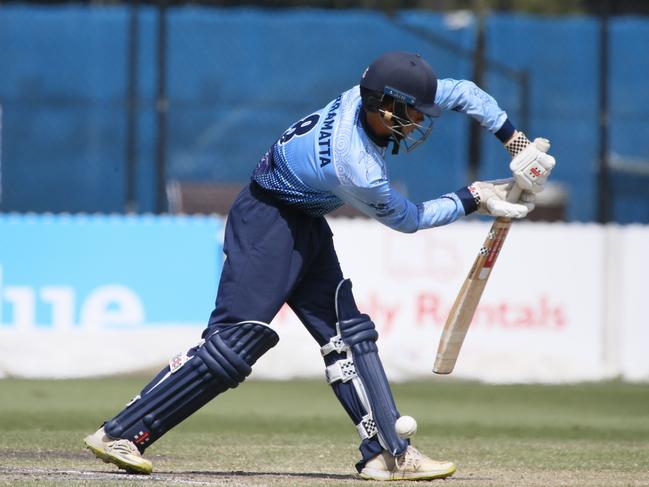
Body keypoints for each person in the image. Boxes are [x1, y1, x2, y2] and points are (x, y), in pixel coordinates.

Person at [84, 51, 555, 481]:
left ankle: (388, 453)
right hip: (266, 221)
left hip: (304, 222)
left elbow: (468, 94)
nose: (418, 123)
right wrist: (474, 198)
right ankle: (120, 432)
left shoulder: (368, 95)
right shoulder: (355, 165)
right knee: (234, 345)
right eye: (412, 114)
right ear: (386, 106)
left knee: (349, 335)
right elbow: (409, 220)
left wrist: (516, 145)